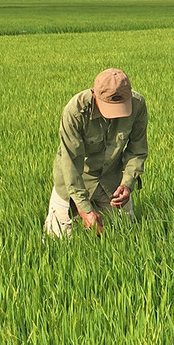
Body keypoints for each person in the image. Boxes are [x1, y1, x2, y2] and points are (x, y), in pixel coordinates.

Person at [44, 68, 148, 238]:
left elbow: (137, 150)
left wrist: (127, 184)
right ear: (94, 94)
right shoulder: (75, 112)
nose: (115, 116)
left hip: (111, 181)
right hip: (74, 181)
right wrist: (84, 209)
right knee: (57, 239)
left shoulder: (137, 105)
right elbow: (71, 163)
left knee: (126, 236)